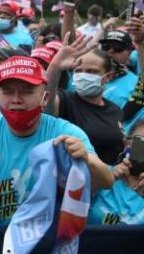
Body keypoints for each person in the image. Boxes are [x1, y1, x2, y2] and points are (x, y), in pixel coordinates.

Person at [0, 56, 113, 225]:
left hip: (46, 239)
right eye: (7, 92)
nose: (16, 99)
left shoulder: (64, 132)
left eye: (27, 91)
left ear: (45, 98)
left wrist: (86, 159)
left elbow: (107, 181)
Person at [45, 34, 125, 166]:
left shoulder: (115, 110)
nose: (83, 75)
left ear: (108, 76)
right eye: (78, 71)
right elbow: (44, 100)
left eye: (91, 71)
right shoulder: (65, 101)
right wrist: (55, 67)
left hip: (108, 181)